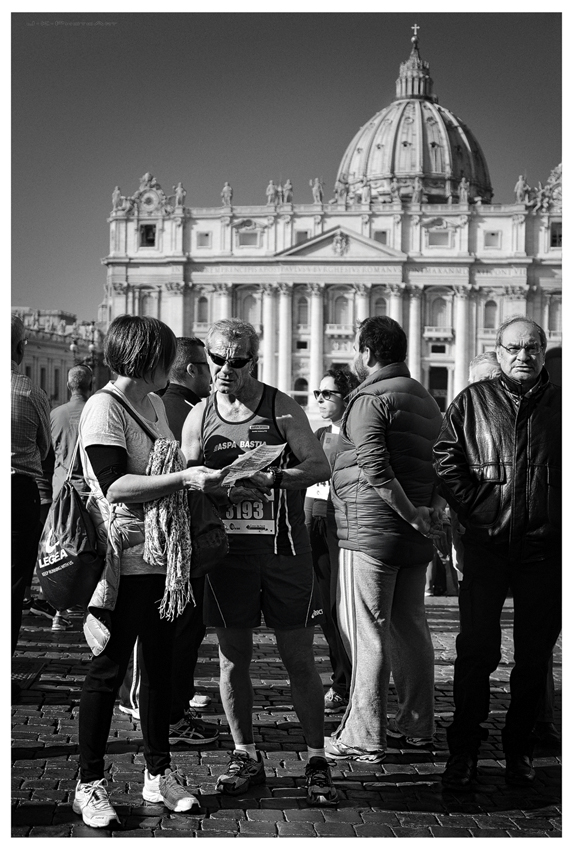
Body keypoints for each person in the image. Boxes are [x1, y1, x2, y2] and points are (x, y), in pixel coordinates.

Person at [73, 315, 227, 828]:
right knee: (109, 669)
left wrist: (209, 480)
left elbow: (166, 475)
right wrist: (185, 475)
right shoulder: (103, 408)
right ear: (148, 358)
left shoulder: (156, 404)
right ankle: (88, 783)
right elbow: (114, 484)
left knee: (159, 671)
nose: (174, 365)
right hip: (122, 562)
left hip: (164, 561)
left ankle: (157, 775)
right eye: (167, 355)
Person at [181, 318, 339, 807]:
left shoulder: (279, 406)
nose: (226, 369)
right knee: (233, 660)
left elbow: (319, 466)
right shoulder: (198, 416)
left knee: (298, 659)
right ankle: (245, 753)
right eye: (218, 359)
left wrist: (272, 480)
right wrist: (210, 485)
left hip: (284, 551)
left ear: (254, 361)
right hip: (228, 557)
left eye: (238, 360)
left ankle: (316, 758)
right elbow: (187, 481)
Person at [434, 317, 561, 790]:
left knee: (533, 657)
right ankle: (463, 749)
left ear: (543, 351)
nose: (522, 356)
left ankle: (520, 747)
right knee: (476, 651)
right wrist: (479, 508)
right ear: (499, 351)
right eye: (513, 348)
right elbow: (446, 461)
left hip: (545, 549)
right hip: (487, 546)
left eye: (531, 348)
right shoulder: (472, 401)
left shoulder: (560, 405)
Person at [325, 316, 443, 763]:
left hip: (371, 532)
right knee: (411, 629)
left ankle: (363, 734)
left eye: (357, 349)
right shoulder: (427, 401)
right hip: (413, 535)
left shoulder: (368, 399)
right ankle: (417, 726)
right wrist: (427, 512)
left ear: (368, 353)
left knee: (366, 631)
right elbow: (439, 465)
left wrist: (412, 513)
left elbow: (374, 466)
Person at [118, 337, 219, 742]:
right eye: (208, 366)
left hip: (169, 532)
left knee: (172, 625)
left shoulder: (160, 405)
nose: (214, 375)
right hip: (172, 534)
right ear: (191, 368)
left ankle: (160, 701)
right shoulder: (186, 410)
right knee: (171, 625)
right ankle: (154, 703)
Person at [305, 369, 358, 715]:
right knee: (323, 608)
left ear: (347, 397)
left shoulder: (355, 434)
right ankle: (340, 679)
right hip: (313, 523)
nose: (321, 400)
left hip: (340, 525)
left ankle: (348, 682)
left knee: (344, 609)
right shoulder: (319, 433)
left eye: (328, 394)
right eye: (317, 394)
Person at [11, 315, 51, 669]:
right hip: (18, 491)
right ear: (22, 349)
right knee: (12, 585)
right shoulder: (30, 391)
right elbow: (45, 445)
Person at [51, 365, 93, 500]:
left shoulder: (55, 415)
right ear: (90, 385)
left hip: (61, 490)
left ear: (68, 386)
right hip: (88, 492)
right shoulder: (96, 413)